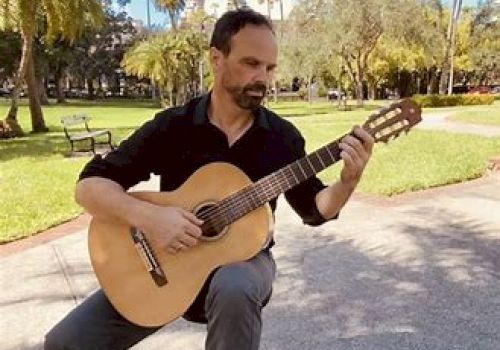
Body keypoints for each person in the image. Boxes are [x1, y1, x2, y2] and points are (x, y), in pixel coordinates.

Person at [44, 8, 374, 350]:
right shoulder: (174, 126)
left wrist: (347, 182)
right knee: (64, 343)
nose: (263, 77)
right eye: (251, 63)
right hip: (164, 259)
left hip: (245, 263)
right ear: (217, 59)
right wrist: (152, 218)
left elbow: (313, 207)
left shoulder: (281, 137)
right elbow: (90, 187)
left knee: (235, 285)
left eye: (270, 67)